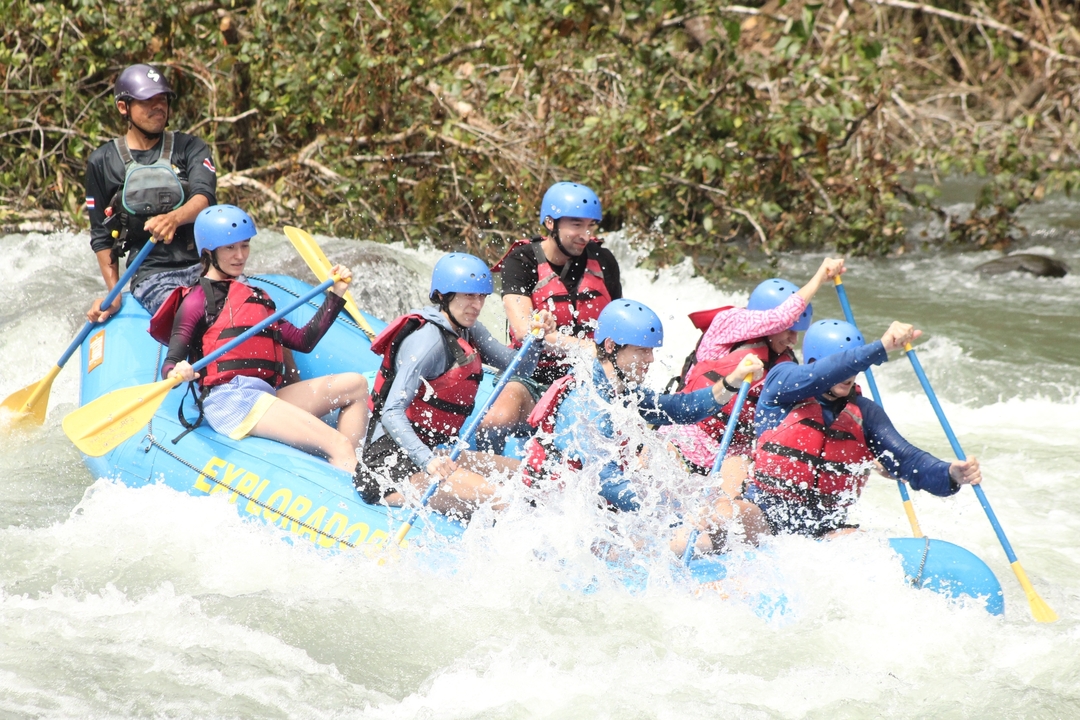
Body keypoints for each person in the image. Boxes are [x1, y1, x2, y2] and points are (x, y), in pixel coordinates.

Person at [527, 299, 768, 558]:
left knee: (739, 518)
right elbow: (607, 482)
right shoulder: (587, 403)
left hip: (595, 507)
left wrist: (731, 381)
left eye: (651, 351)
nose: (651, 359)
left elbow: (681, 409)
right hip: (557, 516)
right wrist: (676, 513)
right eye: (642, 350)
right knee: (690, 542)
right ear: (611, 346)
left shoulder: (620, 390)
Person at [153, 205, 370, 475]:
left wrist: (336, 294)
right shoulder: (196, 299)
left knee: (356, 385)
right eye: (230, 248)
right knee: (337, 444)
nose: (240, 255)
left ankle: (354, 471)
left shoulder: (256, 296)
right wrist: (178, 371)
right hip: (231, 402)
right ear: (209, 252)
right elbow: (170, 363)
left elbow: (303, 341)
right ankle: (350, 474)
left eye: (245, 246)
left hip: (262, 395)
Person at [357, 253, 556, 520]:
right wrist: (429, 462)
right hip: (391, 468)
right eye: (468, 296)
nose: (477, 304)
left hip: (436, 455)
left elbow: (519, 368)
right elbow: (391, 411)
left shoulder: (467, 329)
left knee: (534, 473)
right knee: (506, 499)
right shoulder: (426, 342)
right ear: (443, 295)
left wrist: (537, 338)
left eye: (482, 297)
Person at [743, 319, 982, 539]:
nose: (851, 375)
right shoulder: (781, 384)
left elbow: (908, 461)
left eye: (855, 368)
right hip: (764, 516)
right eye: (844, 366)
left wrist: (950, 473)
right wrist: (882, 346)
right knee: (737, 515)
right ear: (816, 364)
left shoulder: (865, 414)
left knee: (859, 540)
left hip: (824, 531)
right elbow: (821, 373)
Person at [663, 258, 846, 498]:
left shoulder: (785, 361)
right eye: (790, 330)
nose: (793, 339)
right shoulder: (727, 325)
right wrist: (820, 276)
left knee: (728, 503)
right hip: (686, 433)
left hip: (730, 453)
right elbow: (778, 318)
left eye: (797, 332)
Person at [480, 181, 622, 453]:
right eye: (576, 225)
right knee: (494, 422)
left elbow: (619, 325)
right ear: (549, 223)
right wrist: (589, 348)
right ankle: (490, 479)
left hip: (586, 377)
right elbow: (524, 331)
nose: (585, 234)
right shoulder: (522, 261)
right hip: (532, 377)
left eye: (590, 226)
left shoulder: (603, 261)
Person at [85, 63, 218, 322]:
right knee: (194, 319)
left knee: (250, 311)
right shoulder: (101, 162)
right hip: (152, 274)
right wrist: (114, 293)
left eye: (162, 99)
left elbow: (205, 197)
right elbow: (102, 237)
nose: (158, 106)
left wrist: (175, 218)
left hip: (206, 266)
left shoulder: (191, 147)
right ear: (124, 107)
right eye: (148, 100)